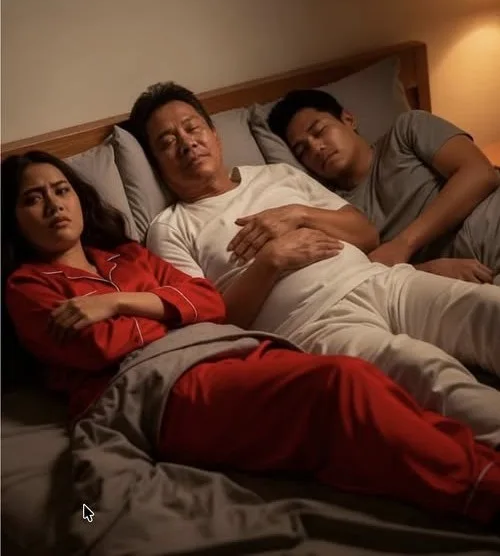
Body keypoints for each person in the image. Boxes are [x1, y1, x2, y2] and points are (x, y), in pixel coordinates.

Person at [4, 151, 500, 525]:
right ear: (13, 218)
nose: (54, 204)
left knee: (367, 386)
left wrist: (118, 303)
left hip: (220, 349)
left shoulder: (127, 257)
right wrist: (171, 309)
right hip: (156, 386)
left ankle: (479, 466)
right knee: (340, 386)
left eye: (61, 189)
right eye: (33, 198)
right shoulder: (26, 286)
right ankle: (483, 488)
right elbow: (100, 346)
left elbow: (209, 304)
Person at [128, 81, 500, 450]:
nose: (186, 142)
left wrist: (298, 214)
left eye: (192, 128)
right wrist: (271, 261)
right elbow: (211, 327)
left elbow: (366, 234)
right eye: (167, 141)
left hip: (380, 280)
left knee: (486, 307)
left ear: (214, 134)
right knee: (425, 370)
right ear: (158, 164)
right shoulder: (170, 228)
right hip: (315, 323)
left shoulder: (278, 174)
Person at [267, 89, 500, 284]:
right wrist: (427, 270)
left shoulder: (405, 130)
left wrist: (405, 243)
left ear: (348, 119)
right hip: (470, 276)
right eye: (303, 150)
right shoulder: (337, 212)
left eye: (319, 131)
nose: (316, 148)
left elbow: (480, 173)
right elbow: (365, 274)